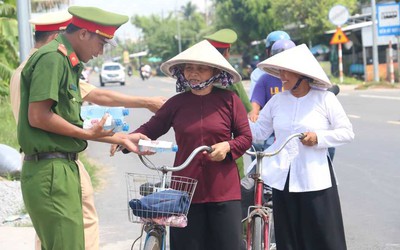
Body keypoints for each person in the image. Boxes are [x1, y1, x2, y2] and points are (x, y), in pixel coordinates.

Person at [9, 11, 165, 250]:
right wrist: (90, 135)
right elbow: (39, 116)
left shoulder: (66, 62)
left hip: (60, 167)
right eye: (101, 43)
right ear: (83, 34)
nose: (101, 52)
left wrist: (120, 137)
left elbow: (66, 122)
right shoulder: (53, 58)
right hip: (51, 170)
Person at [126, 40, 252, 250]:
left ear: (214, 71)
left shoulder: (230, 100)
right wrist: (126, 139)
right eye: (189, 68)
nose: (193, 73)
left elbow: (245, 137)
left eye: (201, 69)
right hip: (186, 191)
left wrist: (228, 147)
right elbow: (151, 128)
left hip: (224, 190)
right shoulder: (176, 104)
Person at [250, 44, 354, 250]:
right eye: (280, 70)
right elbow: (259, 132)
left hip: (315, 180)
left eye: (286, 70)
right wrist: (232, 123)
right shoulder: (277, 101)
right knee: (288, 238)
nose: (281, 75)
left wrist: (318, 138)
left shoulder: (325, 99)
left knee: (322, 237)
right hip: (283, 180)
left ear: (303, 74)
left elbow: (347, 132)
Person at [204, 28, 252, 179]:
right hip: (228, 151)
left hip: (197, 152)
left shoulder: (193, 80)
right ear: (226, 53)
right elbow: (246, 110)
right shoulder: (231, 80)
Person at [249, 30, 290, 98]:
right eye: (276, 50)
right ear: (268, 51)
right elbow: (254, 104)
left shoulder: (300, 73)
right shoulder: (258, 74)